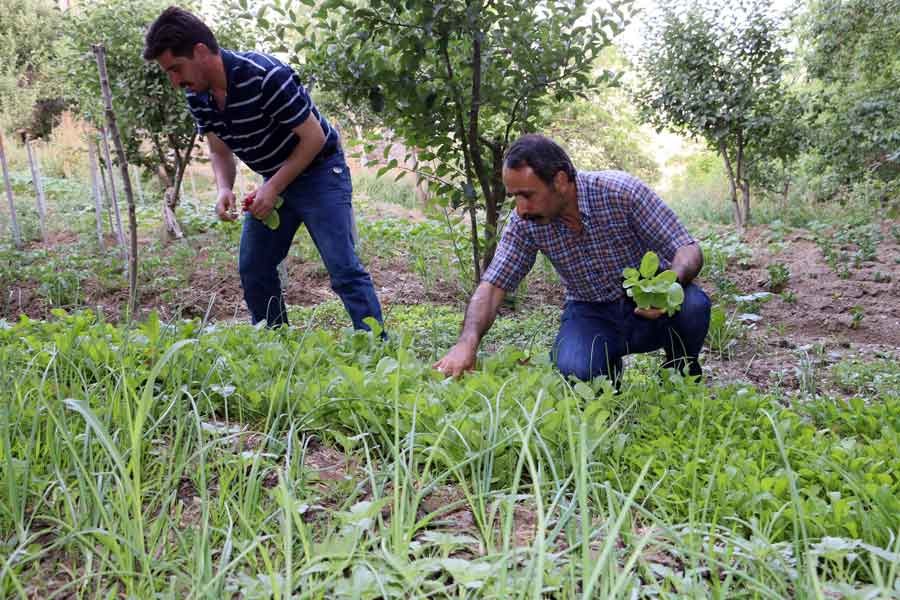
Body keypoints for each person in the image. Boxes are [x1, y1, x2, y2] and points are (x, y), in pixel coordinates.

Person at [143, 6, 383, 330]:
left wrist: (272, 187)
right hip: (276, 178)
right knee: (254, 266)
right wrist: (224, 187)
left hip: (321, 171)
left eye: (176, 68)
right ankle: (274, 343)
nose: (174, 81)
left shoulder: (266, 76)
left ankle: (376, 348)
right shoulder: (198, 95)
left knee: (342, 267)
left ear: (200, 52)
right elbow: (219, 150)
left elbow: (313, 138)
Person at [433, 134, 711, 384]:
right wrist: (467, 342)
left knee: (693, 306)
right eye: (515, 197)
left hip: (648, 307)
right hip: (590, 311)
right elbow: (494, 286)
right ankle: (603, 379)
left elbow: (687, 249)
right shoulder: (525, 223)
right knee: (577, 371)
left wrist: (666, 286)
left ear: (561, 180)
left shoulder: (621, 192)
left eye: (527, 195)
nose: (520, 209)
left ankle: (679, 373)